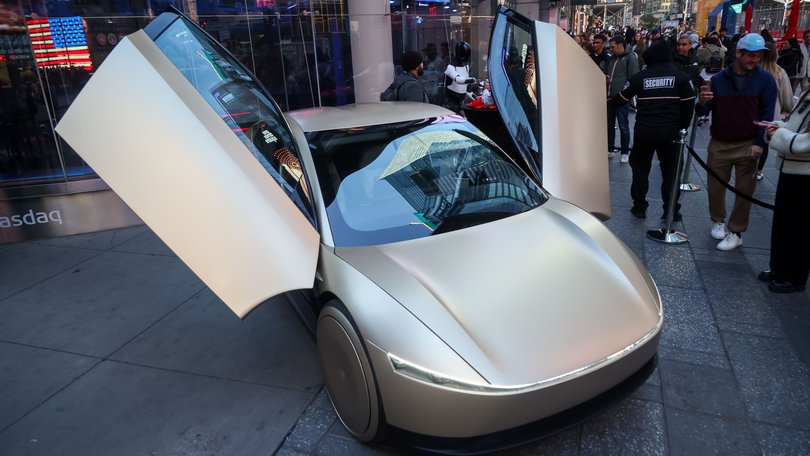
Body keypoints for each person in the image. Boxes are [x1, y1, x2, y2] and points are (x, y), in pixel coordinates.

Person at [696, 33, 777, 251]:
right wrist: (702, 102)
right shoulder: (719, 79)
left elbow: (767, 114)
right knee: (715, 187)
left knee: (744, 190)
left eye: (759, 56)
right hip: (720, 142)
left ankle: (737, 231)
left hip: (748, 142)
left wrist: (760, 143)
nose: (755, 60)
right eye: (751, 55)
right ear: (738, 53)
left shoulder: (766, 80)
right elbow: (703, 111)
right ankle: (718, 220)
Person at [608, 40, 695, 220]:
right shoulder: (681, 78)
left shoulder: (641, 77)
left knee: (640, 171)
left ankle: (639, 207)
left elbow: (621, 99)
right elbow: (688, 108)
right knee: (671, 173)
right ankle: (670, 210)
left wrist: (600, 102)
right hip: (671, 134)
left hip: (644, 132)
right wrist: (682, 127)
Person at [759, 90, 810, 292]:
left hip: (805, 174)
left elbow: (804, 142)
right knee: (783, 223)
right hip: (790, 169)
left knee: (800, 228)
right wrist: (778, 128)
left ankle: (795, 276)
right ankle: (779, 268)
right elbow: (795, 126)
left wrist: (777, 134)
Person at [756, 42, 794, 181]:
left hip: (752, 112)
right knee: (764, 143)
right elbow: (788, 99)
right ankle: (759, 170)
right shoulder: (779, 72)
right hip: (772, 114)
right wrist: (788, 110)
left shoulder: (753, 70)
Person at [605, 35, 640, 161]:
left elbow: (633, 78)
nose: (611, 49)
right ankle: (610, 149)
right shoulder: (611, 59)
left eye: (613, 47)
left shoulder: (630, 58)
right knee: (609, 126)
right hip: (609, 96)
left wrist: (625, 94)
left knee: (623, 125)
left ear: (620, 45)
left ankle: (625, 152)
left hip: (621, 98)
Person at [444, 42, 476, 113]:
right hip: (450, 103)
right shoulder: (451, 67)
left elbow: (466, 89)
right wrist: (472, 80)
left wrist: (476, 98)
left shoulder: (466, 67)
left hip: (461, 102)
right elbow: (458, 79)